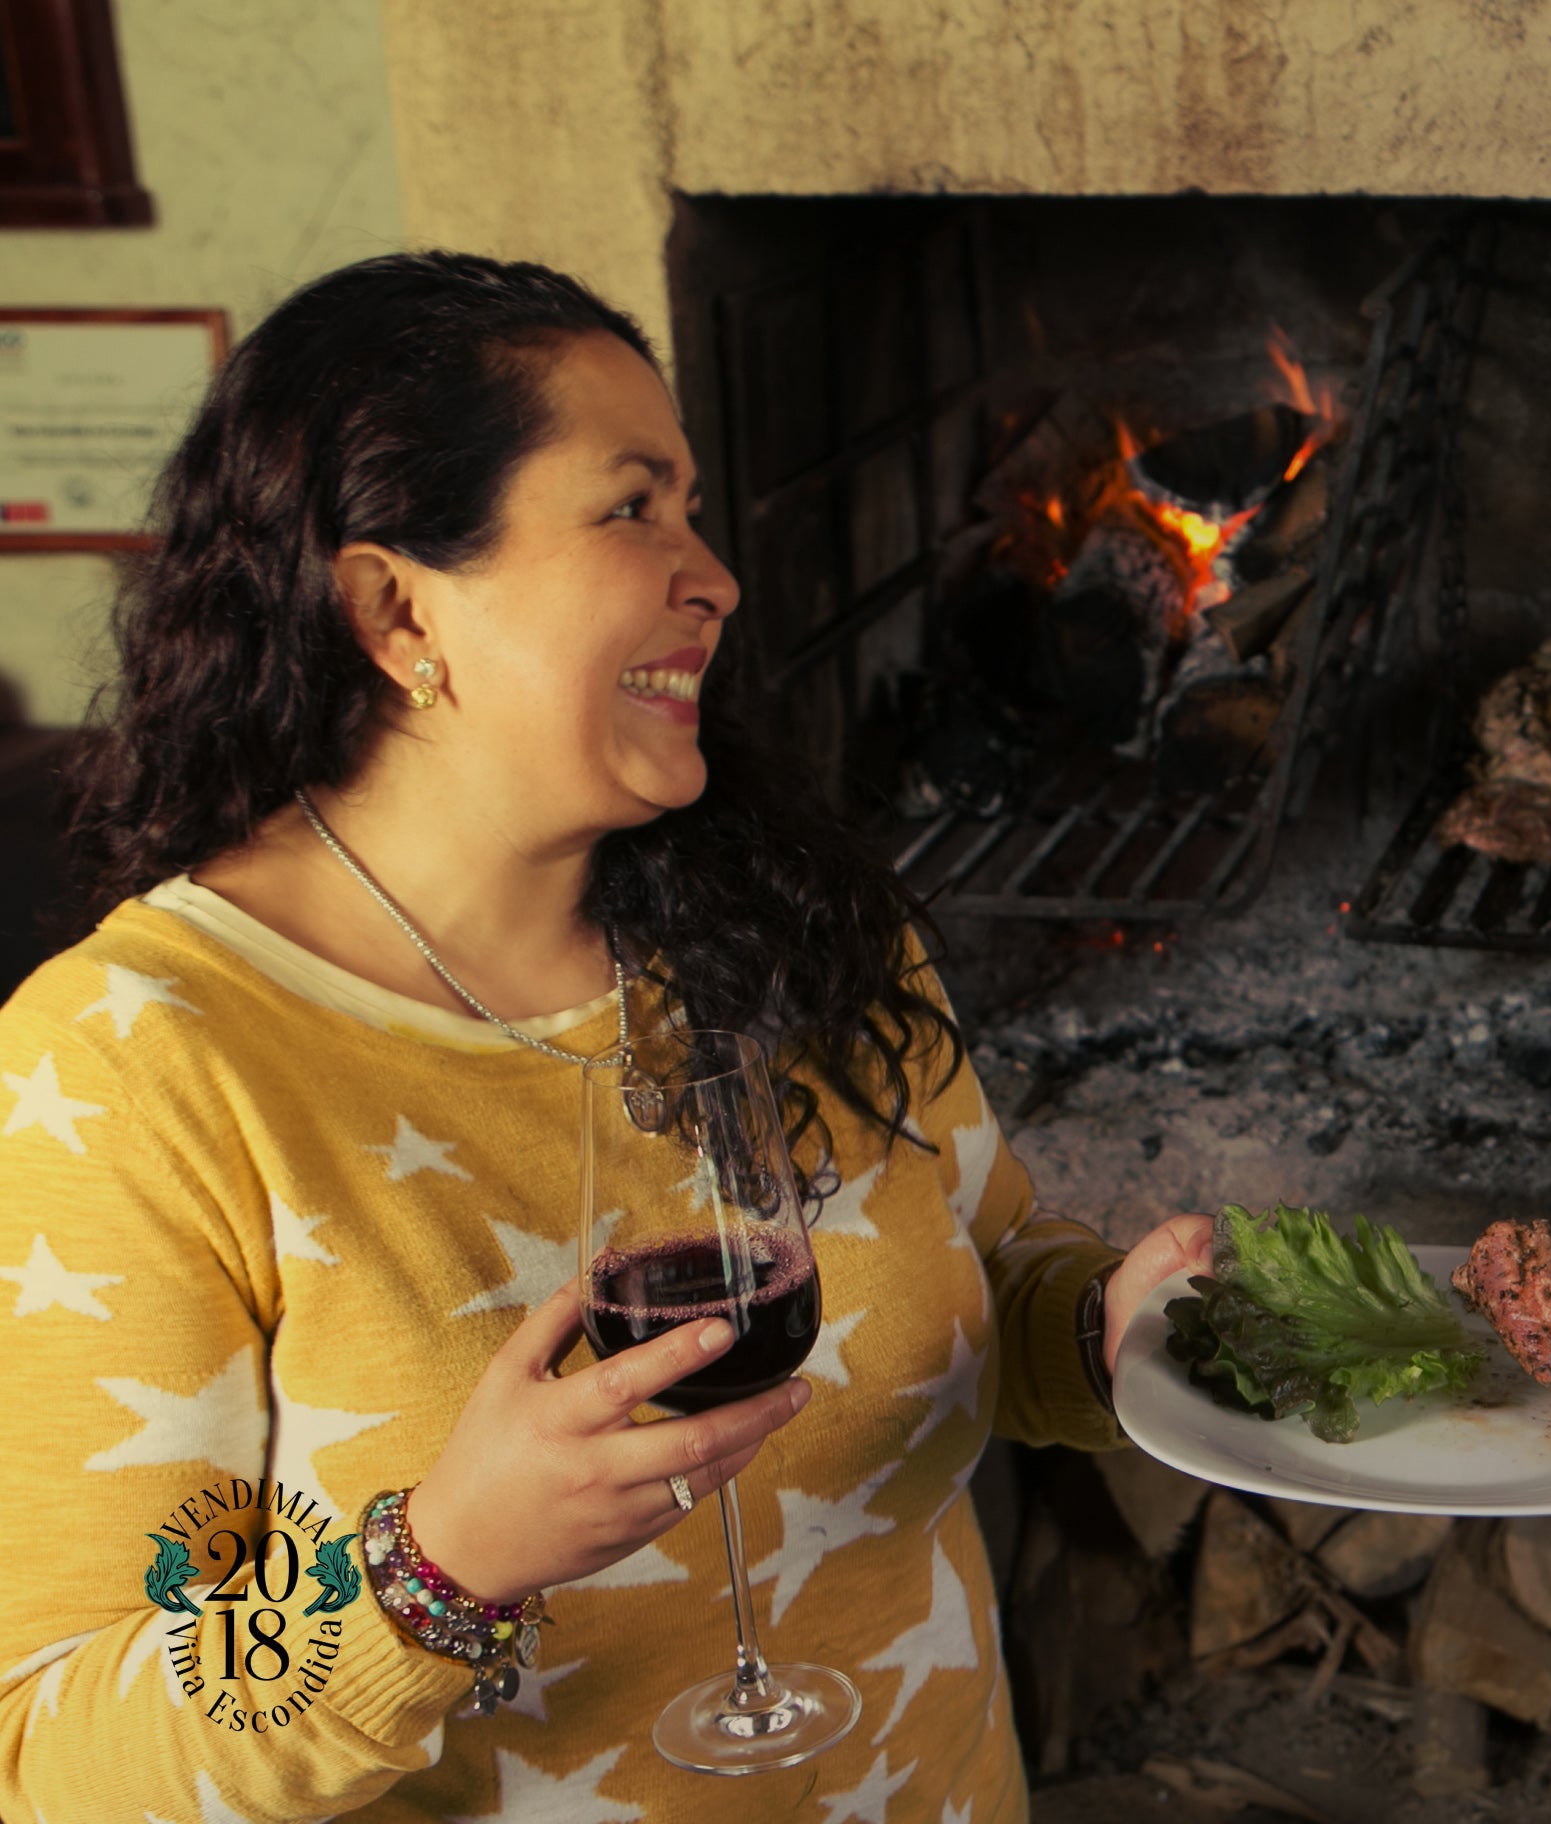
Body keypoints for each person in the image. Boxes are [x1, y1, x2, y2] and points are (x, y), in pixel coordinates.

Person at [0, 250, 1213, 1822]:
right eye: (632, 507)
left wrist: (1114, 1330)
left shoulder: (791, 917)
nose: (712, 572)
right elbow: (56, 1760)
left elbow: (992, 1290)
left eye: (694, 507)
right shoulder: (135, 1064)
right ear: (395, 608)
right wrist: (438, 1576)